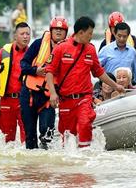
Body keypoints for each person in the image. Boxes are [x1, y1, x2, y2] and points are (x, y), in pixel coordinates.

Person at [45, 16, 125, 148]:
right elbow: (49, 71)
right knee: (68, 136)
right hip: (66, 100)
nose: (91, 36)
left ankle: (86, 158)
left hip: (84, 98)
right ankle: (70, 164)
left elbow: (99, 72)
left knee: (84, 124)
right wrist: (53, 94)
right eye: (89, 34)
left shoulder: (90, 49)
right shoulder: (61, 48)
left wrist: (116, 86)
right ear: (80, 33)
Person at [20, 16, 68, 149]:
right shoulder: (38, 44)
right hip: (29, 94)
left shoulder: (67, 49)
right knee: (30, 136)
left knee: (47, 135)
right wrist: (35, 70)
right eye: (56, 29)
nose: (58, 32)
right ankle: (32, 168)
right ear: (51, 31)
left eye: (61, 30)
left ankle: (46, 166)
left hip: (49, 97)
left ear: (66, 32)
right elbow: (23, 64)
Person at [0, 22, 31, 143]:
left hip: (25, 99)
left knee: (27, 136)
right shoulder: (5, 51)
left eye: (28, 34)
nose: (25, 36)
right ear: (15, 36)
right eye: (22, 34)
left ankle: (28, 162)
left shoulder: (33, 53)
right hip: (7, 99)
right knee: (8, 138)